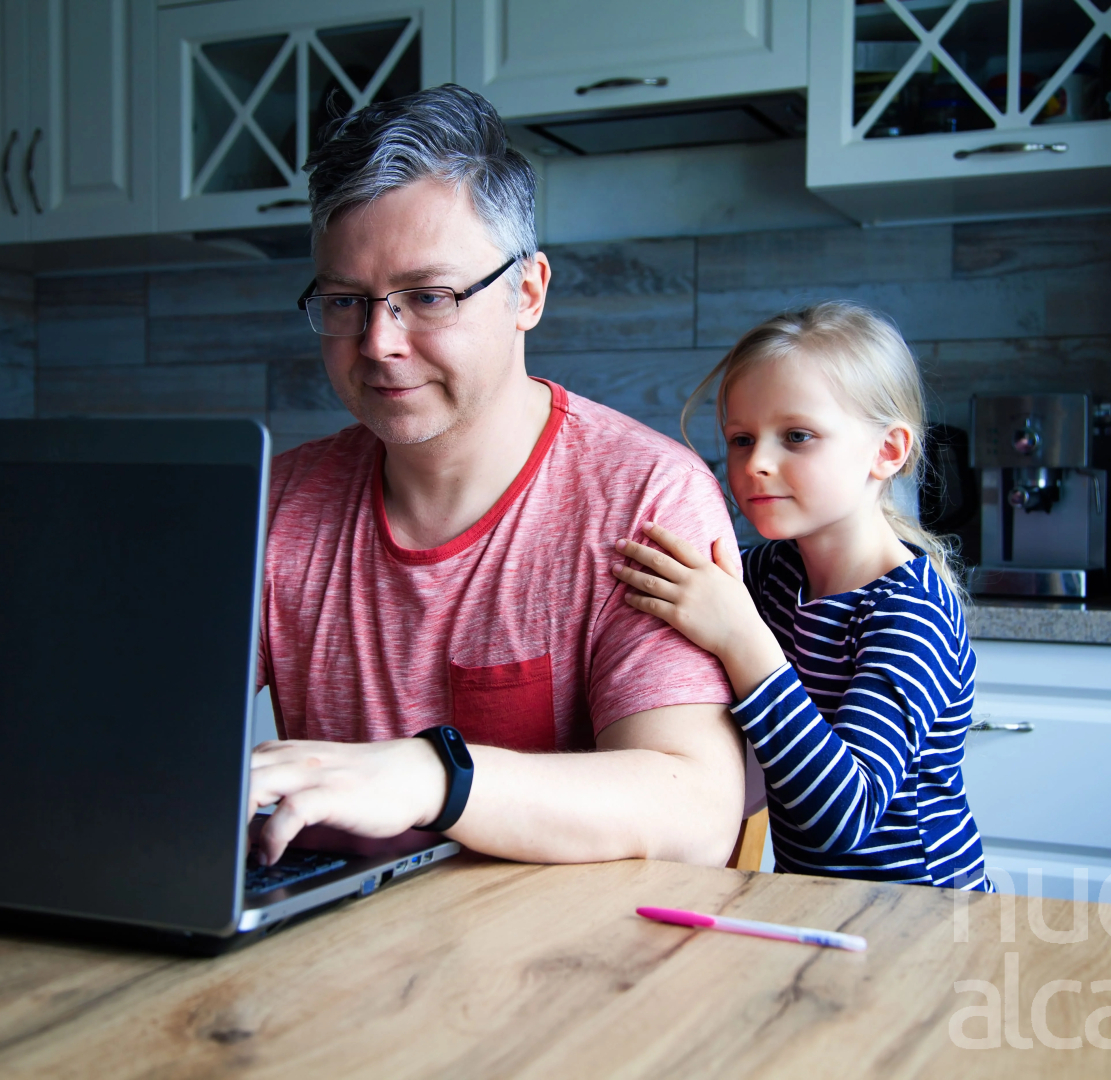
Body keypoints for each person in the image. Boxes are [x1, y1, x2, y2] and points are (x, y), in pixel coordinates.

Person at [247, 85, 746, 869]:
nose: (379, 341)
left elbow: (695, 812)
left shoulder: (647, 498)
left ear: (529, 293)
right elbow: (139, 723)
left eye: (428, 296)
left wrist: (434, 777)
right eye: (347, 300)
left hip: (567, 973)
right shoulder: (274, 505)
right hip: (325, 961)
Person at [609, 302, 990, 889]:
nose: (756, 463)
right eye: (740, 438)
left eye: (797, 436)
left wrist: (743, 640)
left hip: (923, 920)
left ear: (888, 451)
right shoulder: (771, 575)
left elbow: (841, 819)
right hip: (812, 904)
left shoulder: (912, 615)